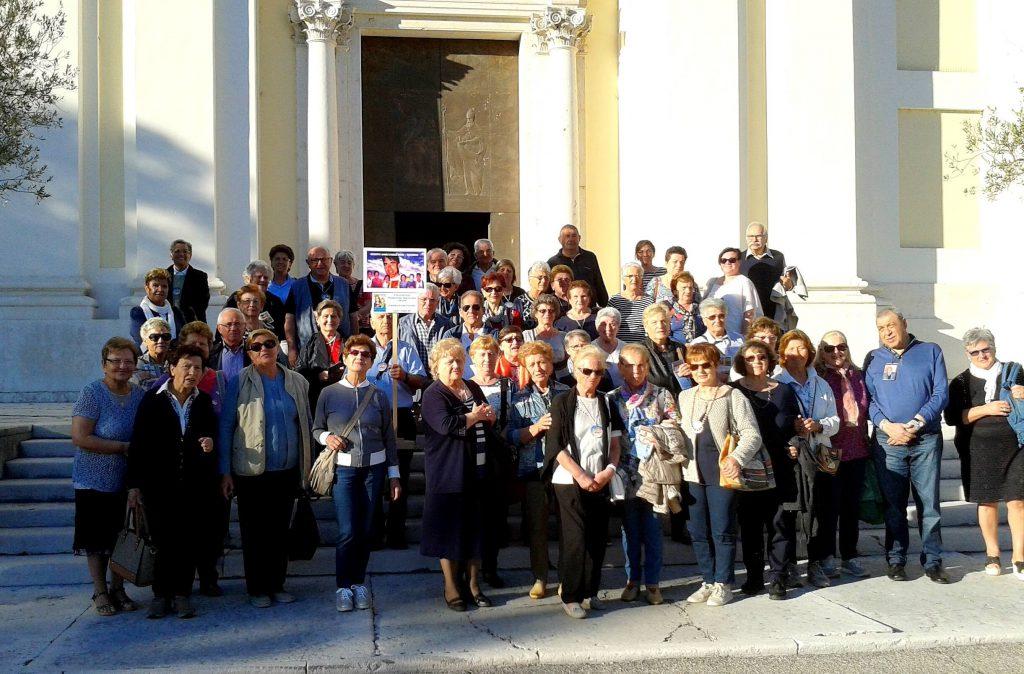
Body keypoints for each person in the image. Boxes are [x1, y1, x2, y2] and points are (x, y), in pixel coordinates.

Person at [219, 329, 313, 608]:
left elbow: (304, 423)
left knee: (279, 531)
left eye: (269, 343)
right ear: (248, 352)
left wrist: (308, 467)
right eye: (256, 345)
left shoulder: (296, 381)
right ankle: (257, 588)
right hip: (252, 471)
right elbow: (226, 426)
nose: (264, 349)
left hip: (287, 469)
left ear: (277, 347)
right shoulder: (239, 381)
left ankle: (277, 584)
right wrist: (225, 471)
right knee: (254, 532)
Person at [126, 345, 218, 619]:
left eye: (198, 368)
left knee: (188, 541)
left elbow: (211, 434)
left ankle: (182, 594)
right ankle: (160, 594)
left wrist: (210, 443)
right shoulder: (153, 400)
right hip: (159, 485)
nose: (192, 372)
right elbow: (139, 444)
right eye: (187, 366)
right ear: (172, 367)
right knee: (162, 540)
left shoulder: (202, 401)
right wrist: (134, 485)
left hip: (193, 485)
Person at [313, 335, 402, 612]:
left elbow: (389, 436)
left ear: (371, 361)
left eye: (365, 354)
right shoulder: (329, 393)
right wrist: (327, 437)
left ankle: (358, 583)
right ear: (345, 357)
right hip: (345, 470)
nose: (359, 358)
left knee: (365, 530)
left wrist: (394, 474)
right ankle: (343, 586)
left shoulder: (378, 394)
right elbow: (316, 428)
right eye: (354, 352)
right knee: (347, 530)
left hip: (374, 470)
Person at [864, 308, 949, 583]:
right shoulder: (874, 359)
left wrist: (914, 424)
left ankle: (933, 560)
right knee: (893, 505)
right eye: (881, 328)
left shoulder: (930, 351)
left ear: (905, 323)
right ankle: (896, 559)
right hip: (888, 442)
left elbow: (940, 393)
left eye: (891, 325)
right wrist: (888, 427)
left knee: (929, 504)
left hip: (924, 439)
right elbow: (868, 401)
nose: (887, 332)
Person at [678, 343, 762, 607]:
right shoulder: (685, 397)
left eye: (706, 365)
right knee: (698, 530)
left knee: (723, 529)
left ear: (716, 365)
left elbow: (752, 434)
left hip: (721, 473)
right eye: (695, 366)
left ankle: (724, 583)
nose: (701, 371)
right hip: (693, 473)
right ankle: (708, 580)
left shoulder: (732, 396)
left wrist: (736, 459)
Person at [543, 345, 623, 619]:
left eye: (598, 372)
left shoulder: (606, 402)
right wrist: (581, 475)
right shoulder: (562, 401)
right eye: (586, 370)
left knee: (597, 537)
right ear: (575, 371)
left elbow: (615, 443)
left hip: (600, 479)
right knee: (575, 539)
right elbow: (555, 446)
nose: (592, 376)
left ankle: (590, 591)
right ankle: (571, 595)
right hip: (569, 480)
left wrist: (608, 471)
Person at [420, 338, 498, 611]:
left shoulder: (473, 387)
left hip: (477, 469)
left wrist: (487, 416)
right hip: (447, 472)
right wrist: (475, 417)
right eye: (449, 361)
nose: (455, 365)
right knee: (448, 532)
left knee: (476, 529)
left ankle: (474, 585)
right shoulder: (433, 393)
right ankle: (452, 586)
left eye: (459, 361)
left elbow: (489, 414)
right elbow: (445, 425)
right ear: (436, 366)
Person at [71, 337, 146, 617]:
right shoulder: (92, 393)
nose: (122, 366)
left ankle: (119, 588)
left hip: (125, 480)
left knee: (121, 538)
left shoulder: (138, 395)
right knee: (95, 540)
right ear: (104, 365)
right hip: (93, 479)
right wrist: (122, 447)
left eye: (128, 361)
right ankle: (100, 591)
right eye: (116, 361)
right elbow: (80, 437)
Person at [945, 328, 1024, 579]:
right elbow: (953, 418)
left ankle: (1020, 557)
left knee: (1018, 501)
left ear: (994, 348)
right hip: (978, 449)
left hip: (1016, 446)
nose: (982, 355)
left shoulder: (1014, 370)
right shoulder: (960, 382)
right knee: (987, 501)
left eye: (985, 349)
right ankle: (992, 555)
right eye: (975, 352)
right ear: (967, 354)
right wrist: (986, 409)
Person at [729, 339, 801, 599]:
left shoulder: (784, 391)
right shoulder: (733, 391)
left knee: (780, 524)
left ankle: (778, 578)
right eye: (750, 358)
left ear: (770, 361)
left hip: (780, 465)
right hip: (749, 468)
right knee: (750, 526)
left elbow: (794, 426)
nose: (756, 362)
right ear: (742, 362)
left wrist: (795, 442)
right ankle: (754, 577)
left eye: (761, 357)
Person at [610, 344, 681, 606]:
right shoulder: (612, 398)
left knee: (652, 528)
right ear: (620, 368)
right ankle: (632, 580)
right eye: (629, 365)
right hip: (625, 472)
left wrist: (656, 434)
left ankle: (653, 583)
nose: (636, 370)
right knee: (630, 529)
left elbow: (674, 426)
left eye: (641, 365)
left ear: (648, 367)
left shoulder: (662, 395)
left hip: (655, 471)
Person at [506, 341, 570, 600]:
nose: (538, 367)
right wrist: (534, 429)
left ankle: (567, 576)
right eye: (531, 364)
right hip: (534, 468)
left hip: (565, 468)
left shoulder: (566, 393)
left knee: (568, 526)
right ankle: (540, 577)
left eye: (542, 361)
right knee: (537, 526)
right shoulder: (519, 398)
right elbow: (509, 434)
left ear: (550, 362)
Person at [776, 330, 840, 588]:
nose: (797, 354)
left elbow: (836, 422)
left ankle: (816, 564)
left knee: (822, 510)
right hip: (793, 454)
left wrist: (819, 425)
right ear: (782, 355)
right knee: (792, 509)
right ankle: (791, 564)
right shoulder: (777, 384)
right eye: (791, 349)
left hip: (823, 452)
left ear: (810, 353)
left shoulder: (821, 384)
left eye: (802, 349)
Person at [367, 312, 428, 549]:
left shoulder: (405, 349)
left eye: (389, 318)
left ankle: (396, 532)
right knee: (373, 476)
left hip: (400, 416)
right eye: (380, 318)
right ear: (371, 321)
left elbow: (421, 381)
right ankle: (372, 532)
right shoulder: (363, 348)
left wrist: (404, 376)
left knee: (399, 474)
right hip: (371, 417)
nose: (385, 322)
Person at [815, 330, 872, 579]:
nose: (836, 352)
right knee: (829, 506)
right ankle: (827, 555)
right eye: (830, 348)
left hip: (857, 450)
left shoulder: (857, 375)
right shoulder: (819, 377)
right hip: (830, 450)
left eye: (841, 347)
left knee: (851, 506)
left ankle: (849, 555)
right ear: (821, 351)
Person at [468, 336, 516, 587]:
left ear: (498, 357)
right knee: (473, 513)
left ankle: (490, 567)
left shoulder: (507, 386)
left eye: (491, 354)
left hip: (498, 455)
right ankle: (470, 569)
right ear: (472, 358)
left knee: (496, 514)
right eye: (481, 354)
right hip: (471, 455)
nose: (486, 359)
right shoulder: (465, 386)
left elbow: (515, 419)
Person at [284, 246, 352, 367]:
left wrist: (354, 343)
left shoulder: (344, 284)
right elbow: (289, 318)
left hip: (341, 349)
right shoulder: (297, 286)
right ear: (308, 263)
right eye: (315, 260)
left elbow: (353, 315)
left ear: (331, 261)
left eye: (324, 259)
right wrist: (292, 348)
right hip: (308, 351)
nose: (320, 263)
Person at [296, 300, 347, 410]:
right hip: (317, 398)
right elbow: (299, 373)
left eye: (334, 316)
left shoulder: (348, 343)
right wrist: (317, 376)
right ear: (317, 320)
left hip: (344, 397)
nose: (330, 320)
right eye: (325, 316)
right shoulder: (310, 344)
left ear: (339, 320)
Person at [223, 261, 287, 342]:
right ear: (249, 279)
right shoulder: (236, 298)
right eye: (259, 277)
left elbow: (282, 329)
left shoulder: (275, 301)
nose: (263, 280)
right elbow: (225, 324)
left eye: (266, 278)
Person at [704, 247, 763, 335]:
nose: (727, 263)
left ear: (739, 262)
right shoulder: (712, 282)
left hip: (734, 335)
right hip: (713, 336)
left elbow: (749, 315)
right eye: (724, 260)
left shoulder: (744, 282)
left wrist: (743, 339)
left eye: (732, 260)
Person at [548, 224, 609, 308]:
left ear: (579, 238)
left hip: (589, 307)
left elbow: (598, 282)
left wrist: (605, 303)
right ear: (560, 239)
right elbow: (549, 288)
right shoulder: (553, 262)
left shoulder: (590, 257)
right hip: (564, 309)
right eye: (567, 236)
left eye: (574, 236)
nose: (570, 239)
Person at [740, 222, 789, 321]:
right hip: (749, 312)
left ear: (766, 238)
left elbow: (786, 283)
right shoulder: (739, 258)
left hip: (773, 311)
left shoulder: (778, 257)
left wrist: (788, 284)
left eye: (758, 236)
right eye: (750, 236)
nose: (754, 240)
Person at [399, 283, 453, 369]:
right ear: (416, 300)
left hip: (439, 377)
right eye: (424, 299)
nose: (428, 303)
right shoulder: (402, 324)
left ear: (438, 302)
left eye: (432, 300)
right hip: (411, 377)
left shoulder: (447, 324)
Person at [689, 298, 744, 380]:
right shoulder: (697, 344)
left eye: (721, 316)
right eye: (712, 317)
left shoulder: (739, 339)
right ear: (704, 321)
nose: (717, 320)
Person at [129, 268, 186, 347]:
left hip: (174, 357)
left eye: (164, 286)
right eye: (155, 285)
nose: (160, 289)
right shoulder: (138, 312)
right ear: (147, 288)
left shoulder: (176, 312)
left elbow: (184, 337)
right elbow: (140, 339)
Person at [641, 303, 688, 397]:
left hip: (681, 400)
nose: (660, 326)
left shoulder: (680, 348)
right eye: (654, 322)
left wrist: (691, 373)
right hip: (653, 403)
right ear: (646, 327)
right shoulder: (640, 351)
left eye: (664, 321)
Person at [442, 290, 487, 376]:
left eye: (476, 307)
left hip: (487, 385)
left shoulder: (493, 335)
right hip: (459, 385)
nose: (471, 311)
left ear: (483, 310)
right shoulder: (450, 335)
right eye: (466, 308)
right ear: (460, 312)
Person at [523, 294, 568, 378]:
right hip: (536, 378)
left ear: (555, 313)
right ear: (535, 313)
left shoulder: (564, 336)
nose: (547, 314)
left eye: (551, 311)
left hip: (562, 379)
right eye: (542, 311)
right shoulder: (526, 335)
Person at [609, 262, 654, 344]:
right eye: (630, 276)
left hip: (643, 346)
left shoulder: (649, 301)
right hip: (620, 346)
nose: (634, 279)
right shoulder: (615, 300)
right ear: (623, 279)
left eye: (637, 276)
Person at [167, 239, 210, 325]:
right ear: (171, 255)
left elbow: (202, 302)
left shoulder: (200, 276)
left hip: (193, 322)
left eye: (185, 251)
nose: (181, 254)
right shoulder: (164, 275)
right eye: (177, 251)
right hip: (168, 322)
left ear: (190, 255)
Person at [334, 250, 370, 336]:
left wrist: (356, 315)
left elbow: (370, 304)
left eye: (349, 263)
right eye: (342, 262)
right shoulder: (332, 285)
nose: (346, 265)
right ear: (336, 265)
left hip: (363, 330)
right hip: (340, 331)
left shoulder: (362, 285)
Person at [209, 308, 250, 382]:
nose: (233, 328)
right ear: (219, 328)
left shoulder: (254, 350)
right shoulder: (210, 353)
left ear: (244, 326)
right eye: (228, 324)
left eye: (237, 324)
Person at [130, 318, 172, 390]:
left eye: (165, 336)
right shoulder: (137, 365)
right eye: (154, 337)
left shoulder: (177, 362)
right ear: (145, 341)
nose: (161, 341)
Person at [668, 272, 705, 344]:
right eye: (684, 288)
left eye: (690, 287)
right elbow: (667, 335)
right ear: (675, 291)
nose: (688, 291)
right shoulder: (669, 310)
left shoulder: (701, 309)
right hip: (677, 351)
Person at [514, 261, 553, 330]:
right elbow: (516, 327)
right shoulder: (520, 301)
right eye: (540, 277)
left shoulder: (551, 301)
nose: (544, 281)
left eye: (546, 277)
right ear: (530, 279)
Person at [593, 307, 625, 389]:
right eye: (603, 324)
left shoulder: (626, 348)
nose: (608, 328)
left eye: (613, 324)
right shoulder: (590, 349)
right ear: (597, 327)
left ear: (618, 327)